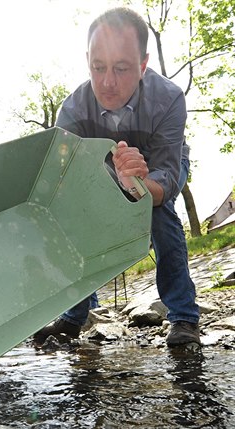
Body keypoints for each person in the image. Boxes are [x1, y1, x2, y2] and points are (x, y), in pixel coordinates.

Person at [33, 7, 201, 349]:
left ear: (142, 65)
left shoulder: (169, 99)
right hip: (104, 170)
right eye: (98, 68)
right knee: (78, 219)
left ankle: (183, 315)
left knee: (158, 213)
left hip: (161, 168)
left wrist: (140, 184)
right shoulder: (72, 111)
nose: (107, 82)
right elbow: (69, 187)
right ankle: (75, 314)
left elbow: (166, 180)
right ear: (87, 61)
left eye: (122, 69)